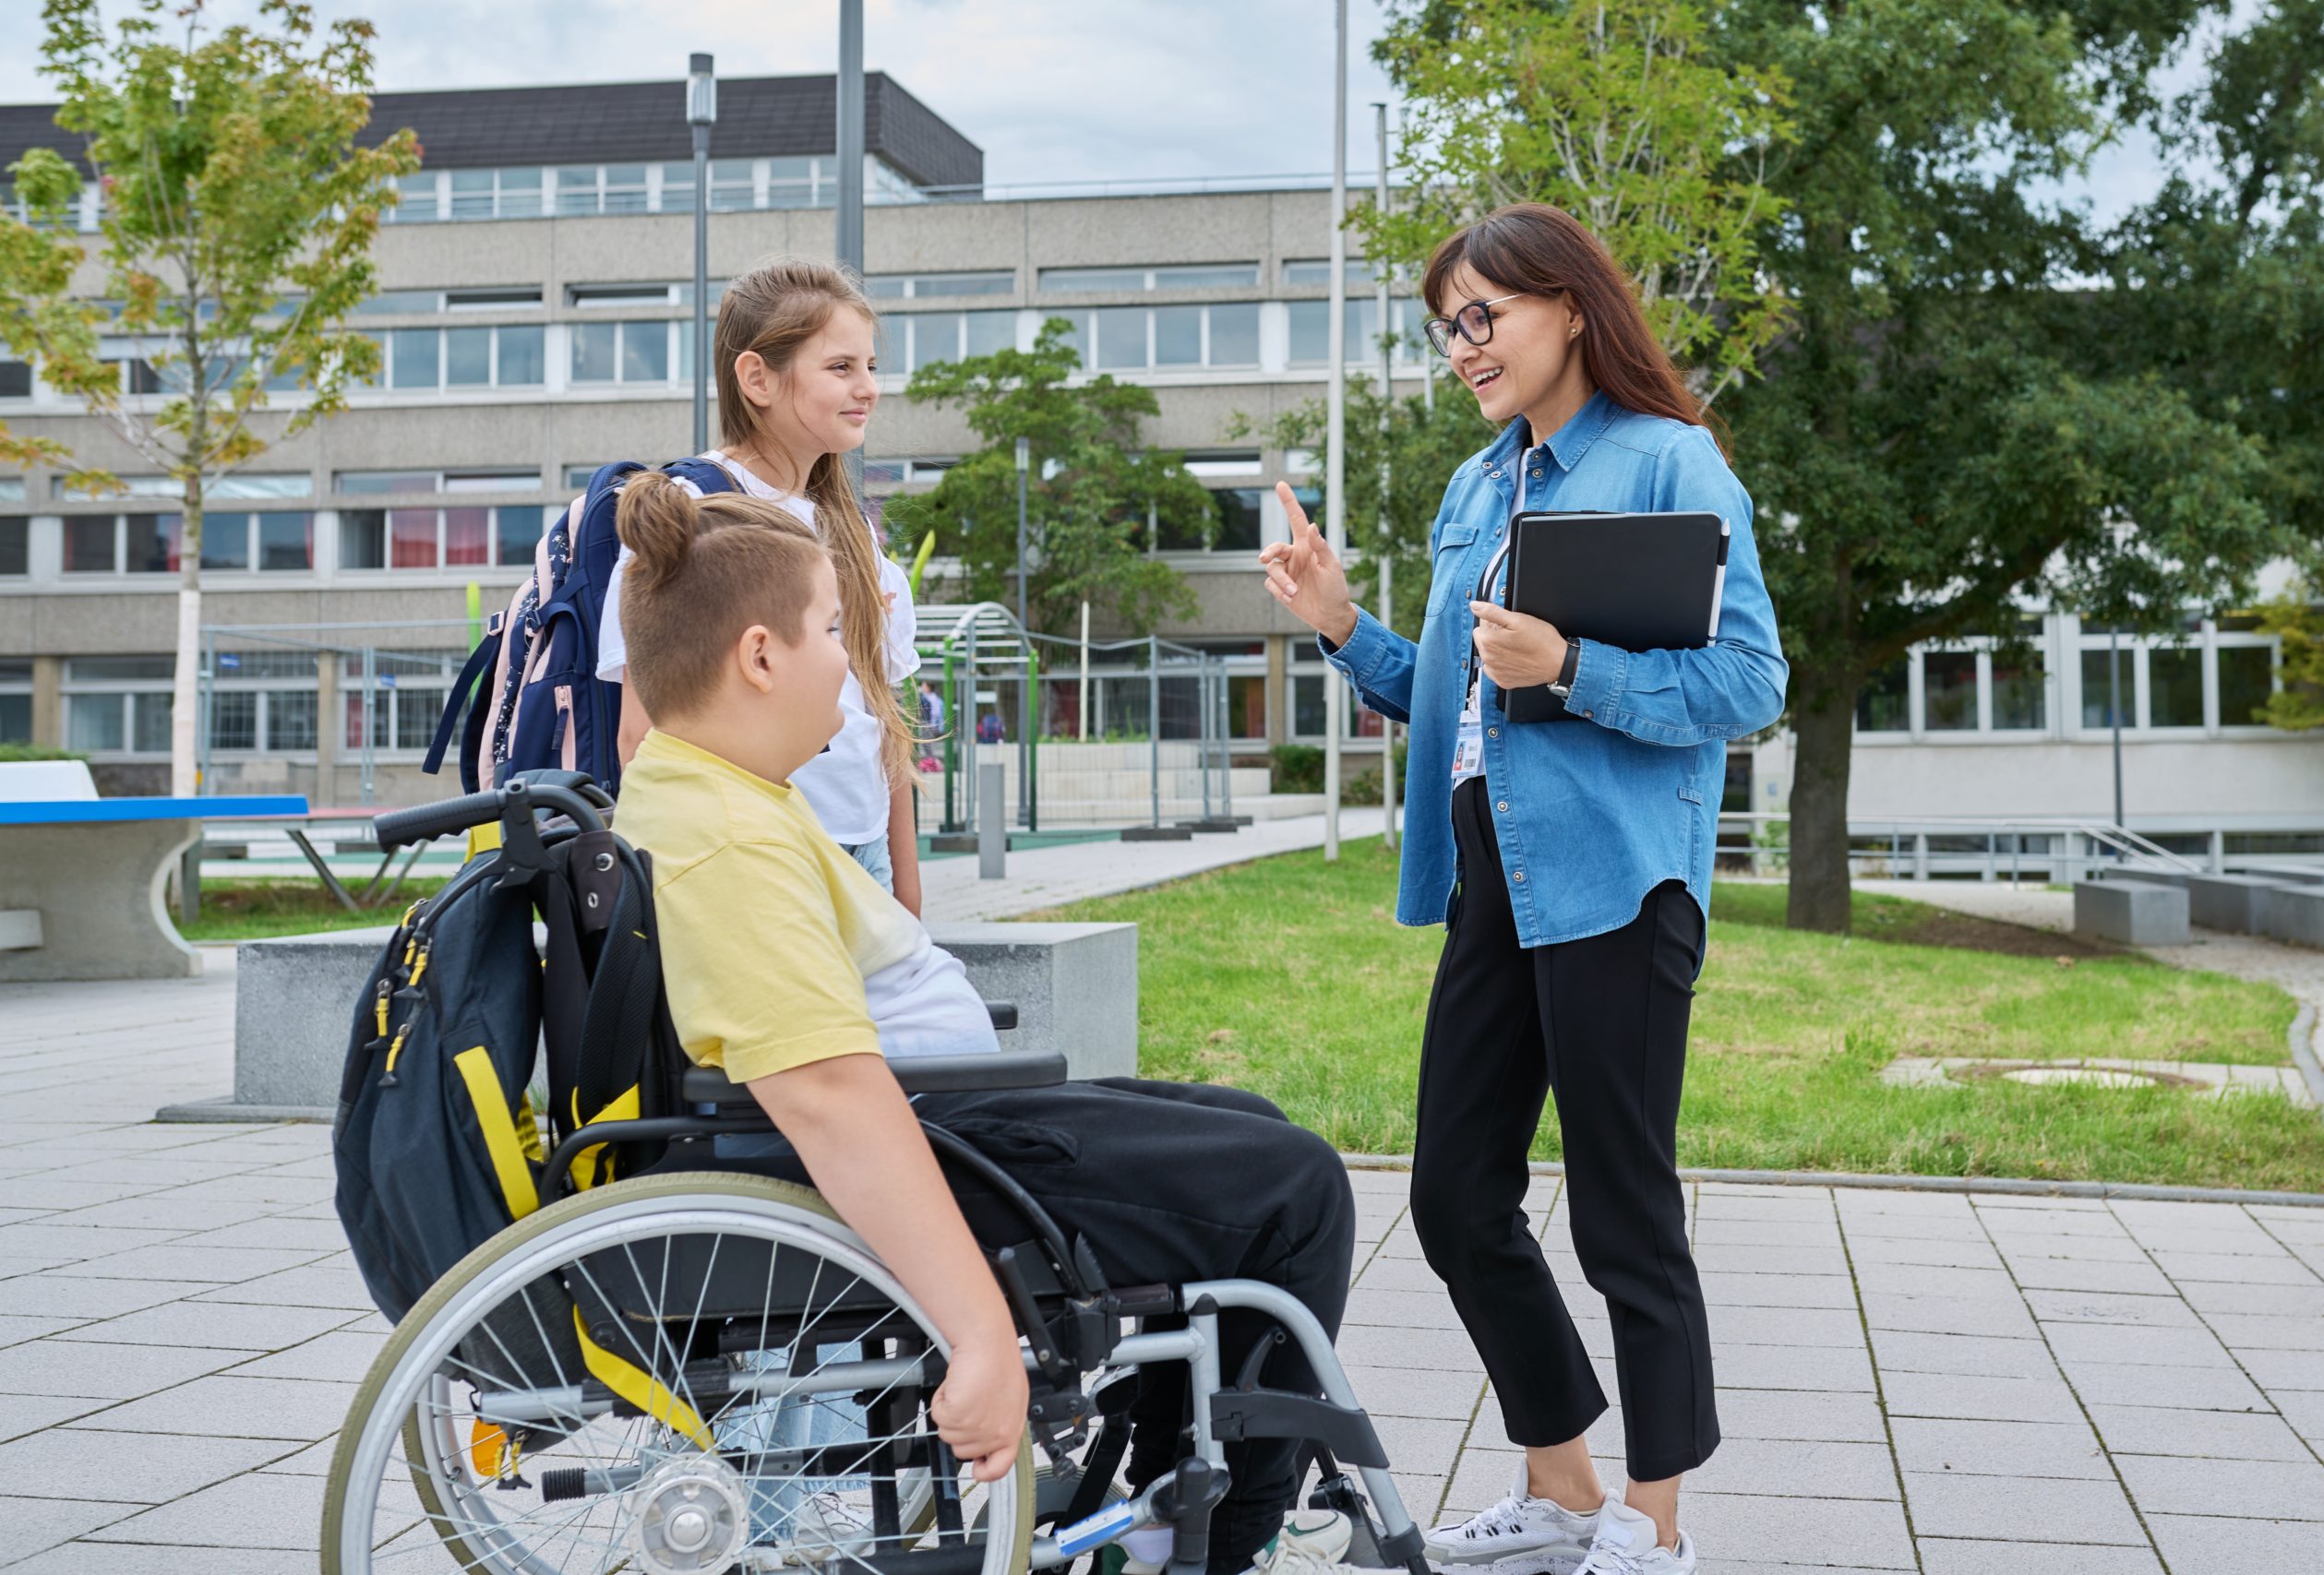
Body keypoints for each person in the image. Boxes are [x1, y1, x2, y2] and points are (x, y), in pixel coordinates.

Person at [603, 471, 1361, 1575]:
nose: (852, 670)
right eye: (830, 631)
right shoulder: (730, 835)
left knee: (1243, 1124)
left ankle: (1159, 1501)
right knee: (1292, 1192)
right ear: (759, 656)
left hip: (945, 1119)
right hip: (928, 1142)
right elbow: (825, 1094)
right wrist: (978, 1342)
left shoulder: (714, 790)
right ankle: (1209, 1550)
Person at [1260, 205, 1788, 1575]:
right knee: (1453, 1192)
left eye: (1482, 316)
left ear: (1568, 305)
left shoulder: (1672, 461)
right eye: (1447, 326)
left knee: (1625, 1210)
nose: (1461, 347)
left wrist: (1570, 665)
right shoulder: (1473, 487)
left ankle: (1656, 1522)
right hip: (1494, 869)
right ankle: (1562, 1487)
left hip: (1620, 875)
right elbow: (1448, 695)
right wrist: (1339, 624)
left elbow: (1749, 685)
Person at [598, 257, 925, 915]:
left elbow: (883, 729)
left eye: (870, 366)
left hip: (863, 855)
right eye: (841, 367)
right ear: (757, 378)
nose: (868, 388)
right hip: (749, 855)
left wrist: (907, 897)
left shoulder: (855, 531)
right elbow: (641, 737)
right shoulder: (691, 513)